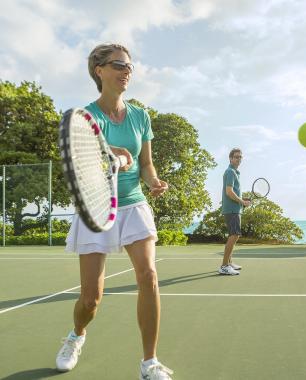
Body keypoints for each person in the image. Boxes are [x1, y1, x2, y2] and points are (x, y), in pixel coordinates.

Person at [56, 43, 173, 380]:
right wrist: (112, 156)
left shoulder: (140, 116)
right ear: (99, 70)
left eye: (129, 67)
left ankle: (149, 363)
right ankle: (76, 335)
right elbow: (86, 165)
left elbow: (146, 163)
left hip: (134, 202)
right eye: (119, 65)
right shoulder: (86, 117)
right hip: (97, 206)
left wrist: (153, 181)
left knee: (148, 275)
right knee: (91, 300)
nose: (127, 72)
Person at [219, 148, 250, 275]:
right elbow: (229, 192)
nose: (238, 159)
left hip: (234, 209)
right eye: (236, 157)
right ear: (230, 159)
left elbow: (233, 192)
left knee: (234, 234)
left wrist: (242, 201)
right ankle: (224, 266)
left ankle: (229, 262)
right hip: (232, 209)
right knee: (235, 235)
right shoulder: (230, 172)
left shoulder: (234, 172)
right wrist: (242, 202)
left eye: (240, 157)